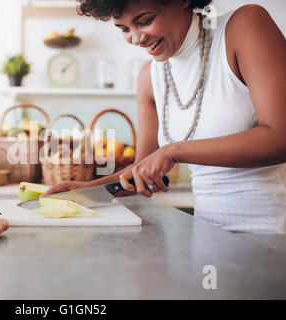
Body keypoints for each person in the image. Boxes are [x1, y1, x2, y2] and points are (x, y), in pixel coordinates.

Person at [42, 0, 286, 234]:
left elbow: (280, 138)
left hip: (273, 235)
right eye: (124, 29)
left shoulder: (245, 26)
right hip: (209, 237)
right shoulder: (150, 77)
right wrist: (83, 190)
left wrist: (172, 151)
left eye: (145, 20)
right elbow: (140, 173)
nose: (136, 39)